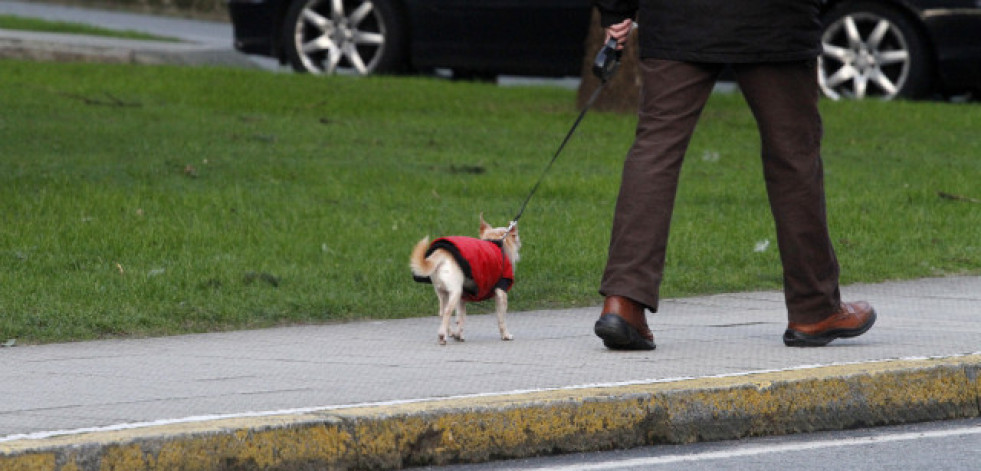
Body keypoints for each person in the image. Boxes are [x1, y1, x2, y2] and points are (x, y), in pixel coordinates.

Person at [591, 0, 876, 350]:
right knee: (793, 158)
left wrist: (615, 9)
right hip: (772, 19)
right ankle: (814, 309)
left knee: (655, 151)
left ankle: (624, 301)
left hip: (677, 16)